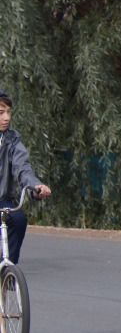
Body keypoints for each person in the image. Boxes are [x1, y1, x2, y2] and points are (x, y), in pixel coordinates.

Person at [0, 88, 52, 264]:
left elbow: (23, 169)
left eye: (8, 112)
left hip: (2, 200)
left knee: (18, 219)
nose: (6, 118)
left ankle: (7, 270)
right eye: (1, 113)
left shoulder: (12, 141)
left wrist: (35, 187)